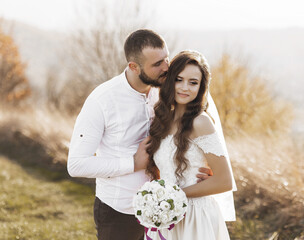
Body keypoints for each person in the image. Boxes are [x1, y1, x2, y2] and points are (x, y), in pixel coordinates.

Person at [67, 29, 213, 240]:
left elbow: (191, 131)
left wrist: (202, 167)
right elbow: (76, 165)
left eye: (166, 59)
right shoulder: (102, 100)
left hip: (168, 211)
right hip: (119, 213)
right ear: (134, 67)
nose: (166, 68)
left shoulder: (168, 91)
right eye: (157, 64)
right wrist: (133, 163)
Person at [146, 50, 236, 240]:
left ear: (201, 87)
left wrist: (173, 197)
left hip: (195, 217)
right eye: (179, 79)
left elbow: (225, 181)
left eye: (193, 82)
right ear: (170, 81)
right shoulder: (163, 120)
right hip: (167, 216)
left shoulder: (200, 122)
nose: (185, 87)